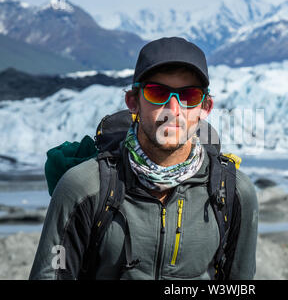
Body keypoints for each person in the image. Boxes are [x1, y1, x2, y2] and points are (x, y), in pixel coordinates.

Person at [29, 37, 258, 280]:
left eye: (189, 96)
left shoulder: (232, 191)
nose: (174, 109)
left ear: (206, 107)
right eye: (157, 92)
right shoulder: (84, 187)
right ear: (133, 102)